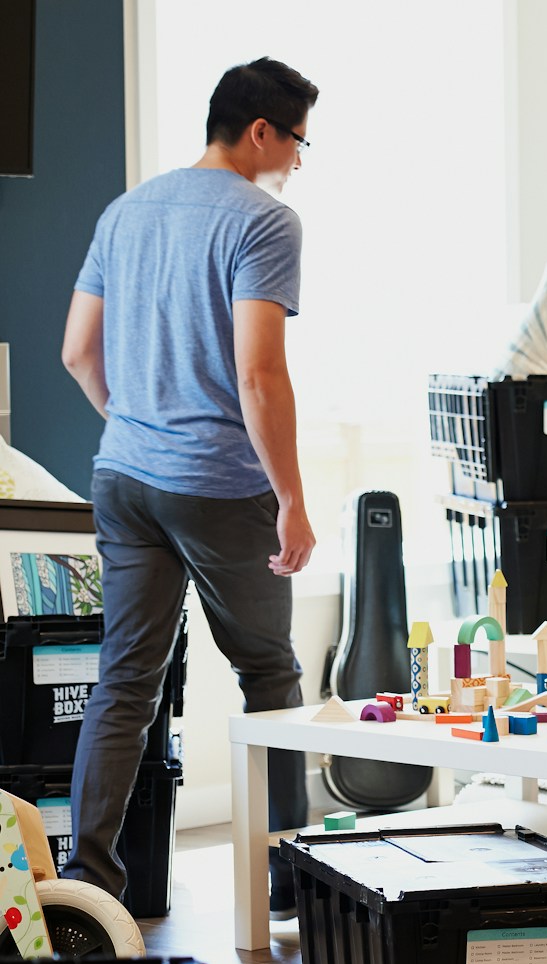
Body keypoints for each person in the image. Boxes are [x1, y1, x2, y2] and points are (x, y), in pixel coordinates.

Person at [59, 57, 320, 920]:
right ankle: (287, 879)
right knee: (271, 674)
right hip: (217, 483)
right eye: (296, 142)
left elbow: (78, 353)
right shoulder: (264, 221)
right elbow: (258, 375)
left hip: (123, 476)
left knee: (124, 682)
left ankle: (89, 889)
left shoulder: (125, 211)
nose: (294, 160)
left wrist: (136, 425)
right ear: (260, 132)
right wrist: (290, 495)